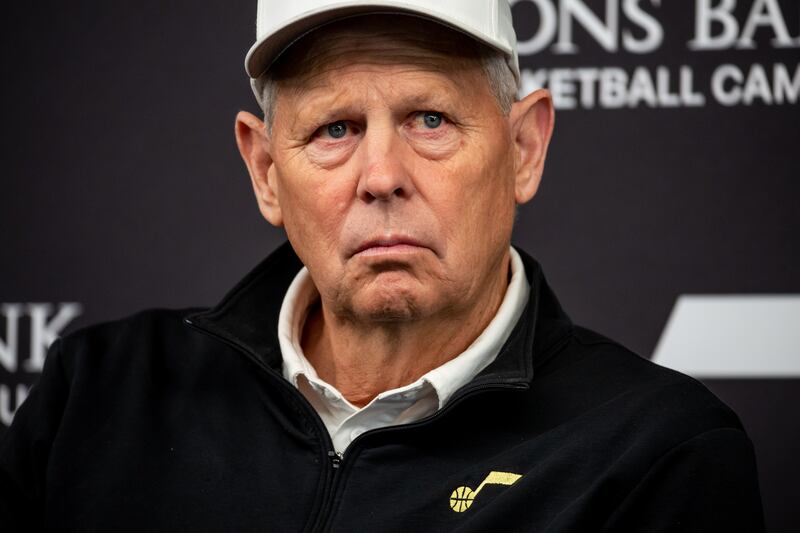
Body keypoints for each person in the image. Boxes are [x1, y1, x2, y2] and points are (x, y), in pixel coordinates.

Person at [0, 1, 764, 531]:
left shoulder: (656, 453)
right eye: (334, 128)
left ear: (524, 147)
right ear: (266, 170)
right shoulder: (99, 395)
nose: (381, 174)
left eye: (429, 119)